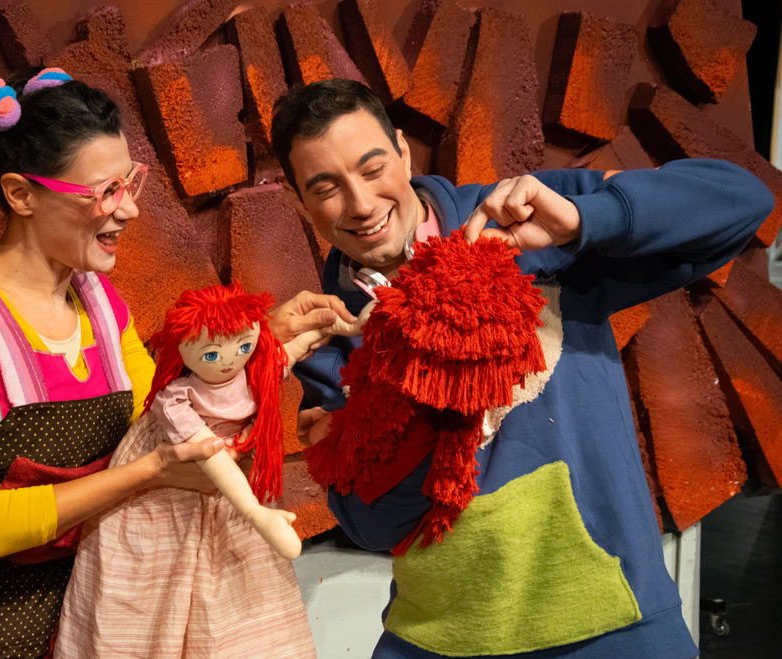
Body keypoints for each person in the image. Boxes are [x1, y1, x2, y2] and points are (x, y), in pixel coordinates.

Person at [0, 68, 350, 658]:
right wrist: (147, 473)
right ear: (21, 194)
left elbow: (167, 419)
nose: (129, 210)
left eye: (130, 183)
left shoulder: (99, 303)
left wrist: (257, 347)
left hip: (63, 623)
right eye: (105, 192)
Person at [270, 78, 774, 659]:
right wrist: (415, 398)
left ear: (404, 153)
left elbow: (743, 201)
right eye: (326, 188)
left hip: (614, 626)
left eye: (373, 168)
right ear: (301, 201)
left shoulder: (525, 217)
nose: (360, 204)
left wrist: (585, 219)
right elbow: (371, 527)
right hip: (436, 641)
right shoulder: (327, 338)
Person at [56, 281, 341, 658]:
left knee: (244, 609)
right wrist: (254, 512)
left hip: (230, 497)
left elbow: (286, 353)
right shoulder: (176, 400)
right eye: (212, 353)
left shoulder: (250, 372)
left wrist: (344, 326)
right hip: (161, 500)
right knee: (145, 608)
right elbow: (208, 454)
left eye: (242, 347)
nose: (228, 362)